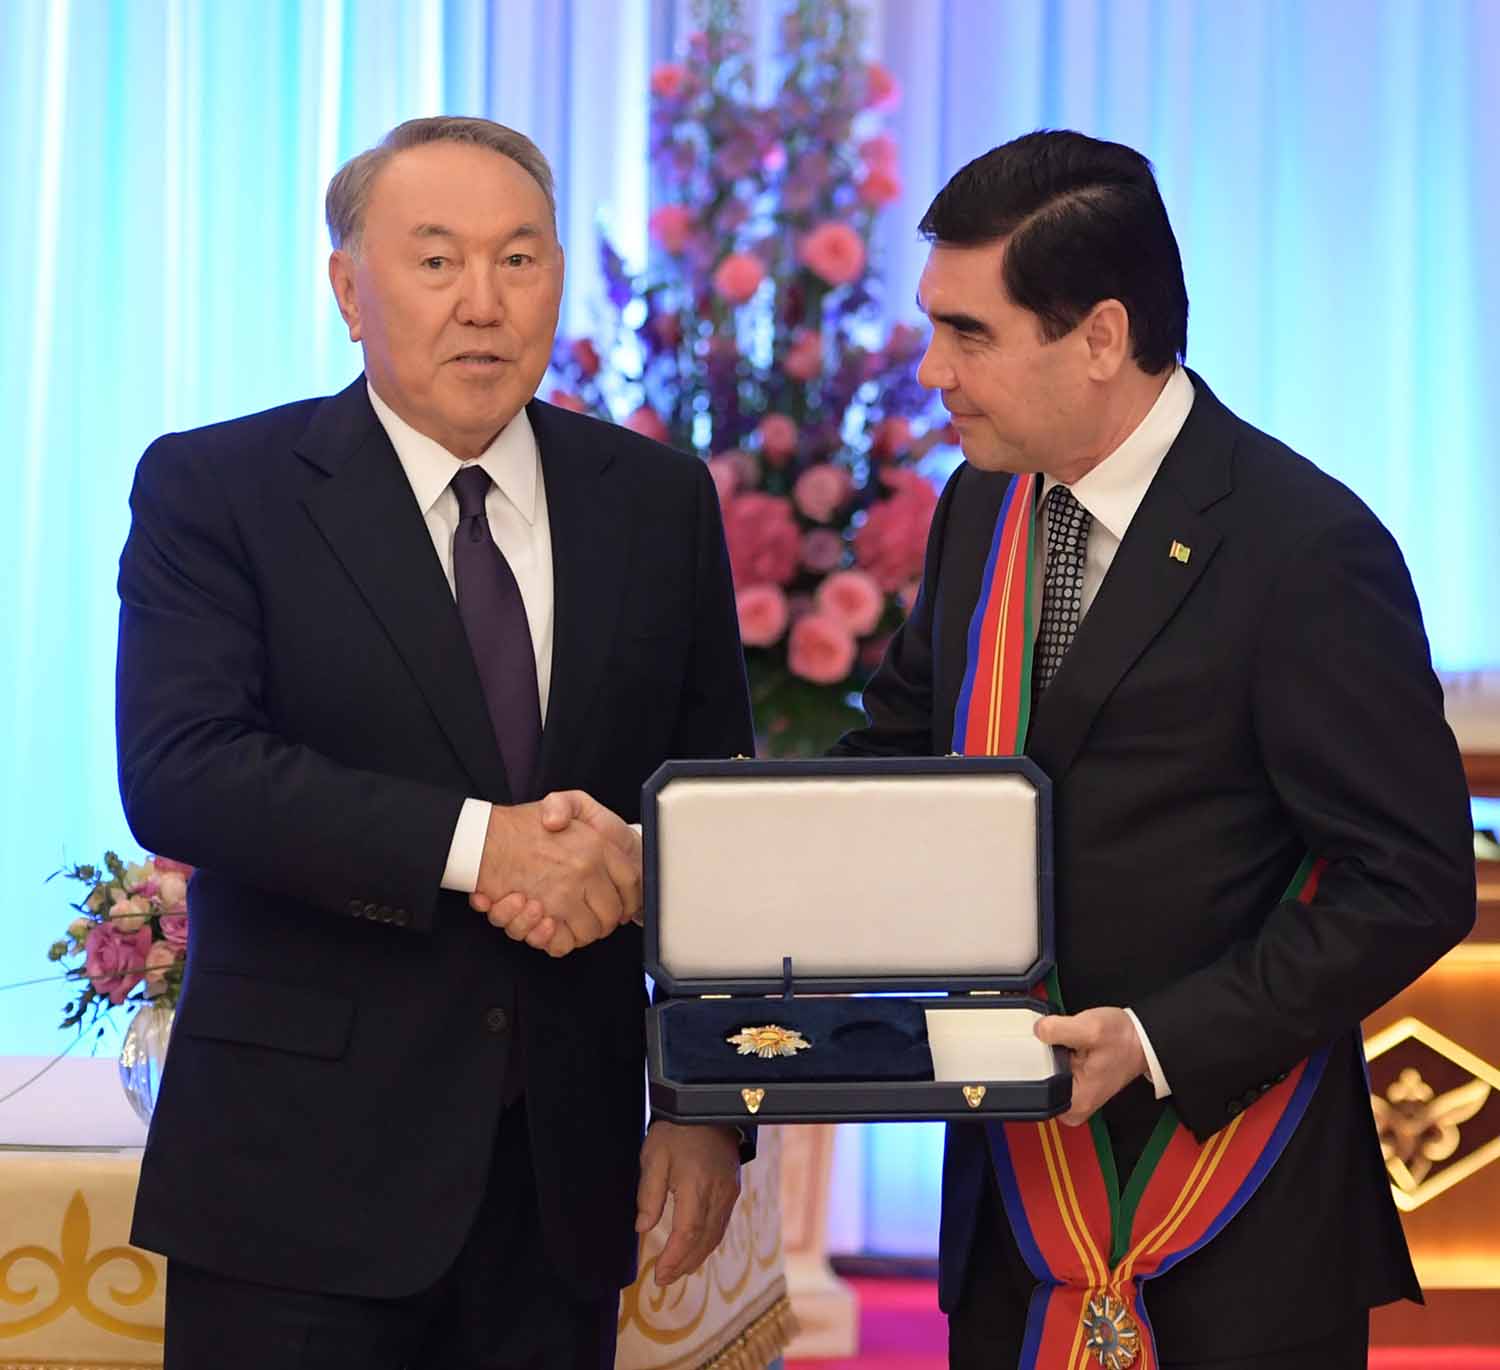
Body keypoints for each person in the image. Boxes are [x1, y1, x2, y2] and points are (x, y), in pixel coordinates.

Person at [116, 116, 753, 1370]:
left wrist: (707, 1104)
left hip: (561, 1187)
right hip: (296, 1184)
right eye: (436, 260)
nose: (483, 302)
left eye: (519, 259)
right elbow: (183, 768)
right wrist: (484, 847)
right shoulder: (221, 488)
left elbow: (715, 812)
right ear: (349, 289)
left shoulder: (656, 500)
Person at [832, 130, 1475, 1369]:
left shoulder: (1304, 546)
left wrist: (1159, 1036)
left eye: (968, 333)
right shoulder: (981, 504)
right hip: (1012, 1208)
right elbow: (900, 757)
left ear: (1101, 337)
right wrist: (700, 850)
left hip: (1240, 1216)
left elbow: (1412, 878)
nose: (932, 370)